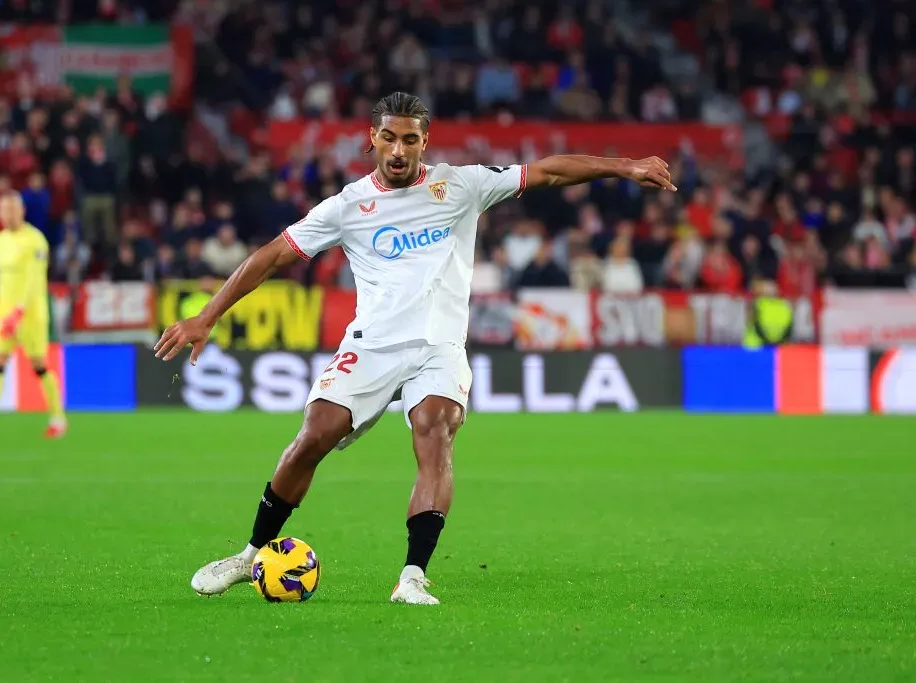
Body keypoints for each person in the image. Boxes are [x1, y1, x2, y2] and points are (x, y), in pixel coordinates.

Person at [154, 92, 676, 605]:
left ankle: (412, 578)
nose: (399, 150)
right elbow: (270, 257)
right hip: (373, 345)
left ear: (425, 143)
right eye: (388, 138)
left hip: (438, 347)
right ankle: (250, 555)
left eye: (410, 139)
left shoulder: (461, 185)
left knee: (436, 429)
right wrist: (207, 315)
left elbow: (549, 172)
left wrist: (625, 166)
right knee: (316, 434)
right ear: (371, 140)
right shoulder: (348, 206)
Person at [0, 192, 67, 439]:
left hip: (30, 314)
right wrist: (2, 310)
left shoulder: (35, 240)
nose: (8, 214)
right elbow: (4, 281)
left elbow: (33, 280)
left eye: (12, 209)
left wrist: (19, 311)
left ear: (22, 211)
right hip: (4, 314)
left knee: (39, 366)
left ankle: (58, 419)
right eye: (3, 210)